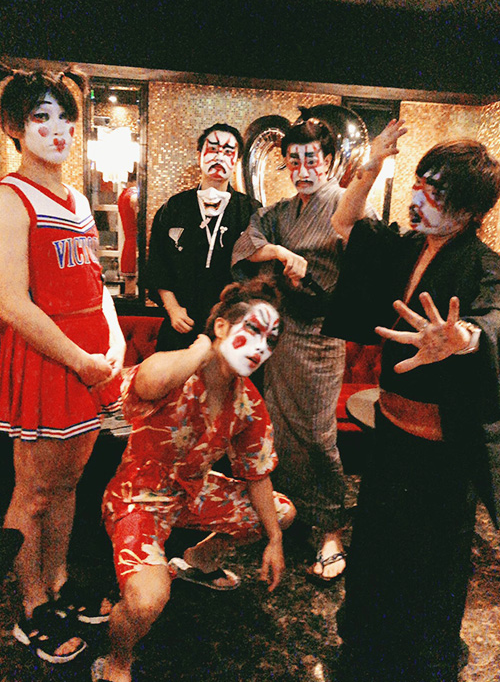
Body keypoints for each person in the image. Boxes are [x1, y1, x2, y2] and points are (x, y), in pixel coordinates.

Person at [324, 120, 500, 681]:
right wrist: (372, 164)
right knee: (377, 552)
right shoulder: (408, 249)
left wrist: (461, 338)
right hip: (390, 435)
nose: (419, 198)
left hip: (442, 456)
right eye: (420, 183)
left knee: (429, 569)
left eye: (436, 192)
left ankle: (422, 664)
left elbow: (492, 319)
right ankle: (365, 649)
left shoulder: (485, 265)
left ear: (469, 211)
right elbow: (343, 222)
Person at [90, 277, 296, 682]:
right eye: (252, 331)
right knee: (147, 601)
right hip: (138, 498)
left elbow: (257, 474)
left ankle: (200, 561)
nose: (259, 347)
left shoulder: (248, 401)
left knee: (281, 512)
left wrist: (274, 539)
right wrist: (200, 349)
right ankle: (116, 663)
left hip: (193, 494)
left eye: (269, 341)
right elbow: (148, 381)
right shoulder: (178, 371)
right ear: (221, 326)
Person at [0, 68, 126, 663]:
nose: (56, 130)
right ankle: (30, 607)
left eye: (64, 117)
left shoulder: (76, 199)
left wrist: (115, 342)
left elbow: (97, 284)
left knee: (70, 484)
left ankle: (59, 583)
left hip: (91, 362)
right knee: (33, 491)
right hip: (49, 359)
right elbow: (11, 302)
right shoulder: (11, 197)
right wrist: (81, 359)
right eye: (40, 117)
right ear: (15, 128)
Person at [231, 117, 376, 582]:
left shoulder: (343, 205)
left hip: (321, 334)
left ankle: (331, 528)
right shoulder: (281, 212)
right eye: (293, 160)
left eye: (311, 158)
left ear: (329, 161)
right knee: (276, 426)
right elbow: (248, 243)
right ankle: (288, 515)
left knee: (315, 435)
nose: (302, 168)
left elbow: (368, 265)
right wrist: (280, 253)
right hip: (281, 333)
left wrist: (312, 279)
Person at [147, 122, 261, 351]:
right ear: (199, 154)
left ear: (236, 160)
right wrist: (173, 309)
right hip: (181, 322)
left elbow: (259, 273)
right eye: (213, 149)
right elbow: (158, 264)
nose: (219, 157)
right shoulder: (174, 208)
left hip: (231, 328)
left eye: (228, 151)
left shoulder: (251, 210)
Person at [117, 170, 138, 296]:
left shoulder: (123, 195)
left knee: (129, 284)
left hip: (128, 242)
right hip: (135, 244)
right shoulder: (134, 196)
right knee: (132, 285)